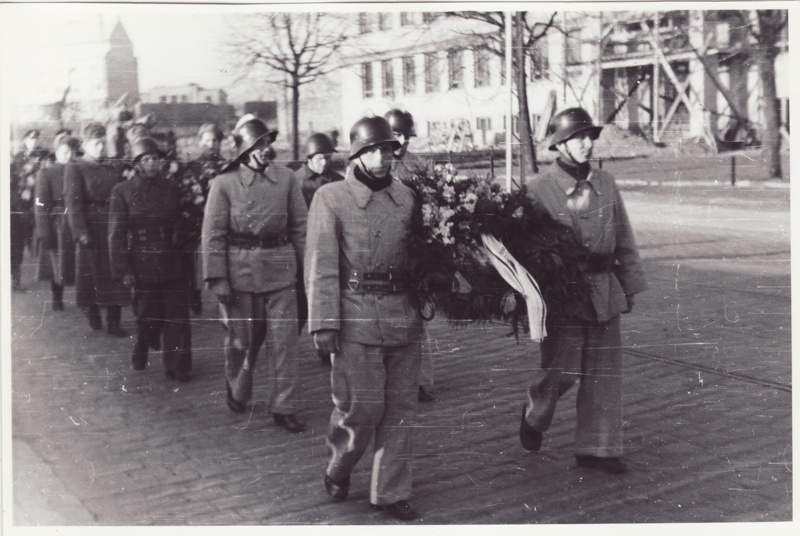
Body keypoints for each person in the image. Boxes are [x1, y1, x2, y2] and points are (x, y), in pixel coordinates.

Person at [305, 115, 423, 520]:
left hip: (403, 316)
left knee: (402, 408)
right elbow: (320, 264)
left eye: (387, 148)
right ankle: (340, 463)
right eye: (372, 149)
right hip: (356, 318)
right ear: (356, 154)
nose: (381, 157)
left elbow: (422, 256)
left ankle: (390, 492)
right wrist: (323, 322)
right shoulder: (332, 198)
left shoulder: (407, 197)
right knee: (363, 409)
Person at [519, 107, 647, 474]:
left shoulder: (606, 183)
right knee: (563, 370)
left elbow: (623, 236)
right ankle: (534, 412)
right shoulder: (538, 189)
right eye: (579, 138)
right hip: (563, 294)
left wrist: (630, 284)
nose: (588, 144)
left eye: (591, 136)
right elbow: (526, 249)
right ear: (559, 145)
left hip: (605, 288)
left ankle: (598, 448)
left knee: (604, 371)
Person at [201, 117, 308, 433]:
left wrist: (307, 271)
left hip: (281, 270)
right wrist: (216, 277)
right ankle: (238, 387)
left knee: (285, 343)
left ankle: (283, 406)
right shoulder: (224, 183)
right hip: (240, 274)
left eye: (267, 143)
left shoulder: (287, 179)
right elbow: (213, 234)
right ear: (244, 149)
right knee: (242, 342)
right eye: (257, 144)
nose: (264, 150)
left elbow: (300, 227)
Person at [109, 138, 192, 380]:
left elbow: (186, 216)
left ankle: (178, 366)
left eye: (156, 158)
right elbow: (116, 234)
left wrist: (183, 230)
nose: (152, 163)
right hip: (142, 259)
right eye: (146, 159)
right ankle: (143, 342)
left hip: (172, 256)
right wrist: (122, 270)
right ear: (137, 164)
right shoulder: (122, 191)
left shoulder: (172, 187)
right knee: (148, 315)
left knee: (177, 315)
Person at [384, 108, 437, 403]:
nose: (403, 140)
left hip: (413, 247)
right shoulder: (374, 164)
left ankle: (420, 381)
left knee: (417, 318)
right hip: (382, 250)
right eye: (397, 134)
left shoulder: (418, 166)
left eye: (407, 135)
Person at [64, 123, 129, 336]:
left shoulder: (113, 166)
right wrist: (80, 232)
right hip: (90, 227)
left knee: (115, 272)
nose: (101, 148)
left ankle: (114, 321)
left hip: (113, 224)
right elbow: (73, 203)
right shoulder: (75, 167)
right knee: (91, 274)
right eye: (96, 143)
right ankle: (91, 309)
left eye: (103, 143)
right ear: (85, 144)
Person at [177, 122, 228, 314]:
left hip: (221, 220)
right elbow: (186, 196)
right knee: (194, 257)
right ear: (200, 142)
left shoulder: (227, 167)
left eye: (215, 140)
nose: (211, 144)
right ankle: (194, 293)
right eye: (207, 140)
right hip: (197, 218)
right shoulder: (191, 168)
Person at [34, 131, 79, 310]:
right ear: (57, 152)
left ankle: (87, 299)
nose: (68, 155)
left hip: (77, 219)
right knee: (56, 261)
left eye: (72, 151)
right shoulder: (46, 173)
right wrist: (44, 231)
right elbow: (40, 204)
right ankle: (57, 297)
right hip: (58, 223)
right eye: (64, 151)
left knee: (80, 260)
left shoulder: (79, 170)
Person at [10, 129, 49, 291]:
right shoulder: (18, 159)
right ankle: (15, 279)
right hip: (19, 207)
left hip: (37, 204)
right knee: (16, 244)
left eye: (36, 138)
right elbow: (11, 183)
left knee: (40, 239)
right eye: (30, 138)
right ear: (25, 140)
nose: (33, 141)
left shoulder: (42, 156)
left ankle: (49, 275)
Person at [294, 133, 344, 207]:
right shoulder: (295, 181)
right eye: (319, 158)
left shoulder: (338, 180)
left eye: (327, 158)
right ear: (309, 158)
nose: (324, 163)